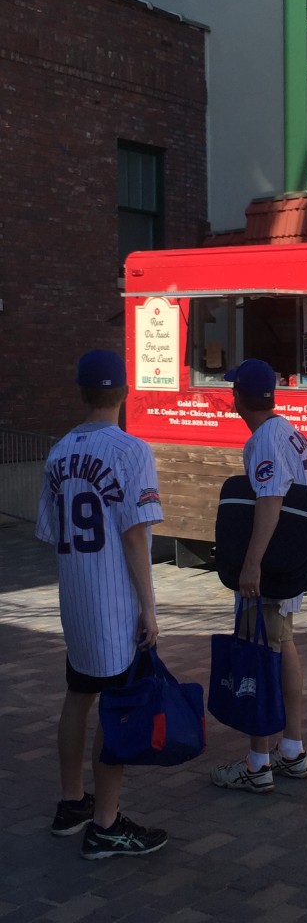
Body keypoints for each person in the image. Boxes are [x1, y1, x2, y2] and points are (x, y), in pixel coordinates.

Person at [35, 350, 167, 859]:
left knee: (78, 696)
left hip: (76, 599)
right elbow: (135, 537)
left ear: (80, 391)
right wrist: (150, 608)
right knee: (117, 711)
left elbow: (49, 531)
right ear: (125, 393)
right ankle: (106, 825)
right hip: (115, 608)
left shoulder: (57, 452)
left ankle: (72, 804)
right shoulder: (133, 450)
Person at [210, 359, 307, 794]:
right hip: (290, 563)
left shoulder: (266, 441)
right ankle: (290, 749)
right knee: (282, 646)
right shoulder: (288, 430)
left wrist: (252, 563)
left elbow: (270, 501)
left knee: (259, 654)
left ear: (240, 398)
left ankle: (259, 763)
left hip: (270, 568)